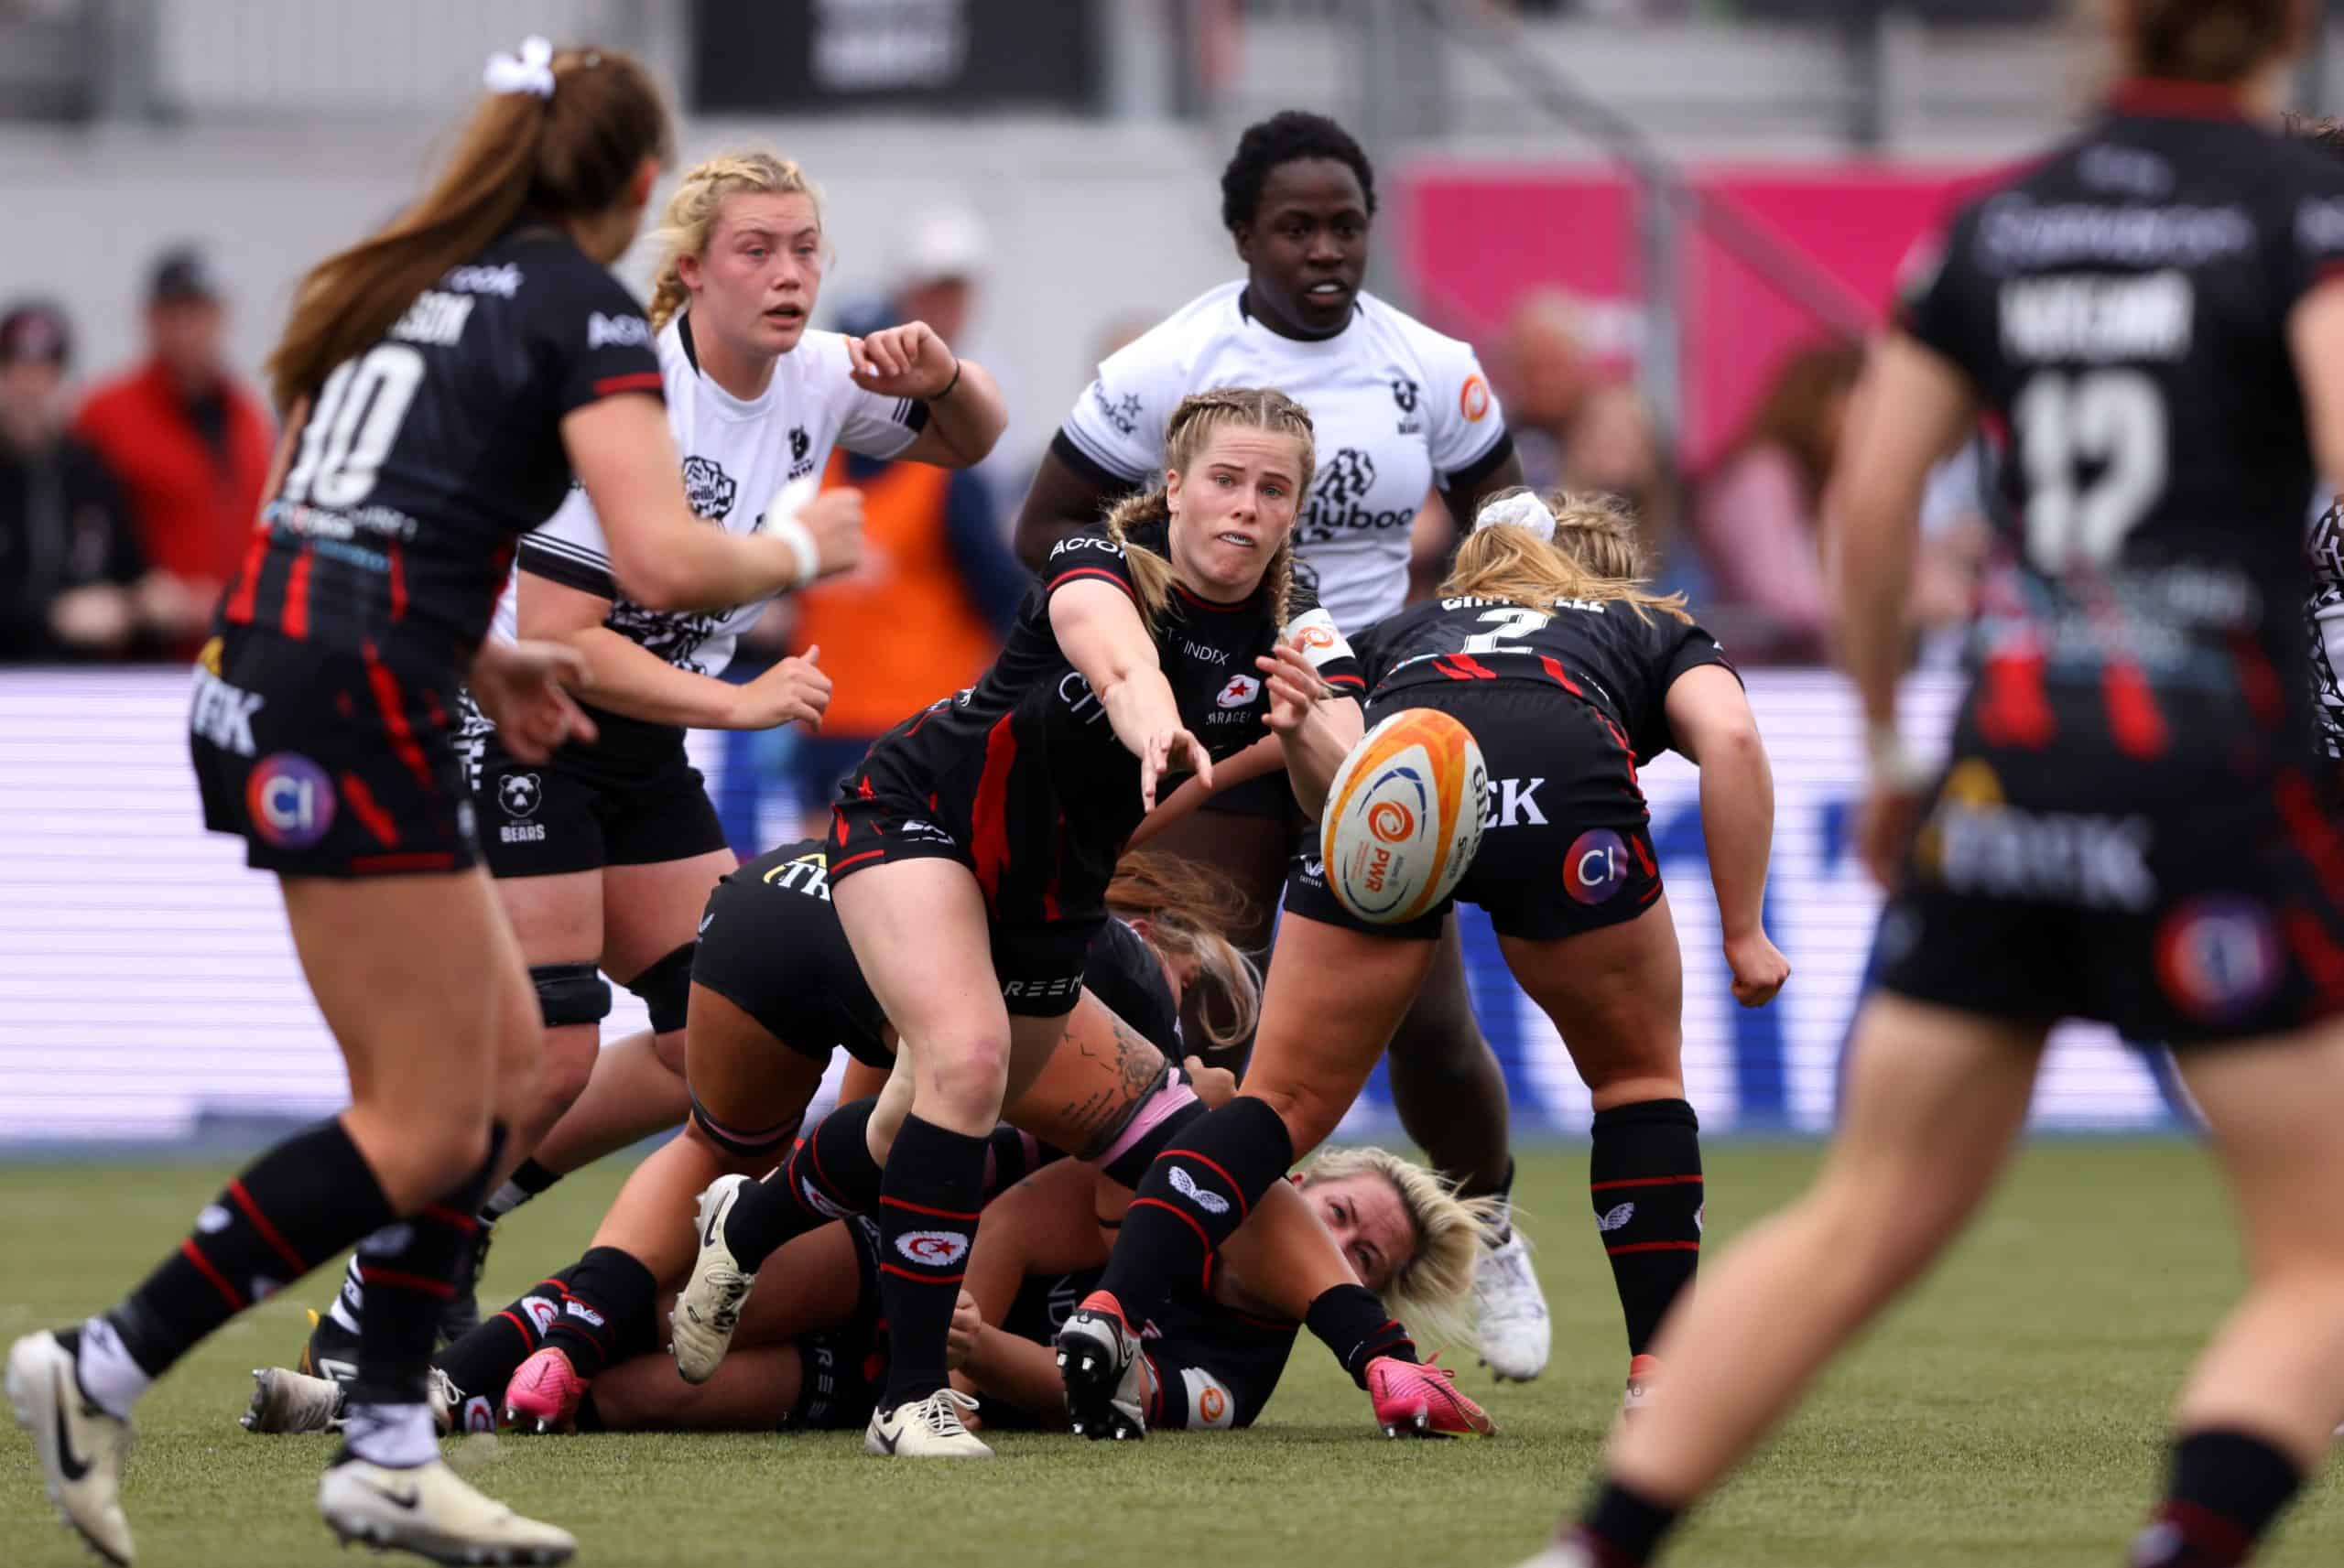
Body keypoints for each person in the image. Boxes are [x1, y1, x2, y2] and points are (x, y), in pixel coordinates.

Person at [4, 38, 849, 1564]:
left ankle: (385, 1439)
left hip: (305, 673)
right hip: (350, 704)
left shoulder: (406, 282)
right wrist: (803, 552)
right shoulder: (581, 312)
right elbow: (658, 564)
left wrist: (492, 650)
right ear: (646, 187)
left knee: (500, 1068)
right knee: (438, 1102)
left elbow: (353, 509)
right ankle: (106, 1363)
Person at [1542, 3, 2344, 1563]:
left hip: (2013, 763)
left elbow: (1873, 508)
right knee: (2324, 1260)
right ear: (2292, 29)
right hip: (2217, 781)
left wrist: (1896, 748)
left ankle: (1596, 1546)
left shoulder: (1997, 223)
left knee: (1864, 1215)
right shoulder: (2303, 218)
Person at [296, 145, 1005, 1372]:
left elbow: (969, 442)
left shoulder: (817, 374)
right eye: (757, 250)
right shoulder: (620, 403)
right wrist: (740, 704)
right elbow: (563, 642)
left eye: (805, 250)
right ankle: (384, 1287)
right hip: (518, 721)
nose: (789, 274)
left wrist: (948, 375)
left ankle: (455, 1229)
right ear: (687, 275)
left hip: (638, 739)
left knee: (718, 1046)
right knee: (556, 1044)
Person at [1059, 487, 1787, 1436]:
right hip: (1560, 793)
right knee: (1636, 1086)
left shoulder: (1408, 624)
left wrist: (1119, 838)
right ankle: (1658, 1376)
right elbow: (1730, 738)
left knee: (1276, 1107)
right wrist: (1744, 930)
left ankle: (1112, 1312)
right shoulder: (1640, 620)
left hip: (1396, 788)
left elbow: (1289, 746)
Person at [1011, 109, 1554, 1379]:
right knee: (1184, 1004)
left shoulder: (1432, 366)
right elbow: (1048, 522)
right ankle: (1112, 1280)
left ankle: (1493, 1224)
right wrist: (1163, 627)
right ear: (1243, 231)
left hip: (1377, 719)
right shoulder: (1167, 365)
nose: (1325, 249)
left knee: (1427, 1027)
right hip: (1219, 700)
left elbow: (1507, 525)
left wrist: (1487, 636)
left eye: (1347, 224)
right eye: (1296, 226)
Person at [460, 843, 1264, 1431]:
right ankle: (886, 1370)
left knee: (716, 1162)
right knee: (736, 1244)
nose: (1175, 1019)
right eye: (1190, 983)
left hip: (767, 896)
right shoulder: (1114, 979)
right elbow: (1063, 1210)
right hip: (896, 1261)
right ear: (1157, 930)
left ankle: (471, 1378)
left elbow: (874, 1129)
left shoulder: (1017, 874)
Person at [244, 1146, 1492, 1444]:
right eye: (1339, 1212)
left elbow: (1083, 1394)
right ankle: (397, 1379)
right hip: (907, 1276)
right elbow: (1011, 1218)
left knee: (634, 1400)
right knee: (676, 1281)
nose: (1338, 1244)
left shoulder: (1248, 1372)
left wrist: (973, 1356)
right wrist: (956, 1332)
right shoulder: (1173, 1186)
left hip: (909, 1372)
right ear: (1309, 1180)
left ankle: (424, 1405)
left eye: (1363, 1255)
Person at [781, 211, 1027, 827]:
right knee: (821, 891)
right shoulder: (809, 465)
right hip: (825, 723)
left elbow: (1007, 597)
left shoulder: (943, 477)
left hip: (921, 728)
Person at [72, 245, 275, 654]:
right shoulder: (107, 413)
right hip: (143, 653)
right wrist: (139, 593)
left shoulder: (248, 416)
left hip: (235, 646)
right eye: (173, 314)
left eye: (198, 314)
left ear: (222, 318)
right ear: (149, 320)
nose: (187, 330)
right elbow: (76, 531)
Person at [1692, 341, 1863, 663]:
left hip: (1806, 678)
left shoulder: (1826, 482)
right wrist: (1895, 603)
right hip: (1759, 682)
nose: (1877, 426)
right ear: (1820, 404)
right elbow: (1784, 597)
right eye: (1864, 405)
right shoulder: (1762, 477)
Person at [0, 300, 153, 663]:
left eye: (45, 372)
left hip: (81, 691)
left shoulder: (90, 472)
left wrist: (138, 603)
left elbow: (128, 568)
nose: (31, 388)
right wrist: (52, 615)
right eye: (18, 370)